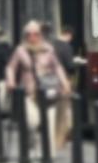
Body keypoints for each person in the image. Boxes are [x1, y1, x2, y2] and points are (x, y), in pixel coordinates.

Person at [4, 20, 70, 151]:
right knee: (33, 121)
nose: (32, 37)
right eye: (29, 34)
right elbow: (10, 67)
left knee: (50, 124)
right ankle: (32, 140)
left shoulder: (48, 49)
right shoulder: (20, 50)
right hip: (29, 92)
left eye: (36, 34)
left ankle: (48, 156)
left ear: (41, 35)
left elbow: (57, 67)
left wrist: (65, 83)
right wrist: (10, 82)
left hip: (48, 91)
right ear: (25, 36)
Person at [52, 26, 79, 150]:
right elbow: (69, 66)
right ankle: (63, 137)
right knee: (66, 110)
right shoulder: (66, 47)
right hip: (64, 82)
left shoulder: (51, 45)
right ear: (69, 35)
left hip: (51, 82)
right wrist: (77, 63)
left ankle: (55, 137)